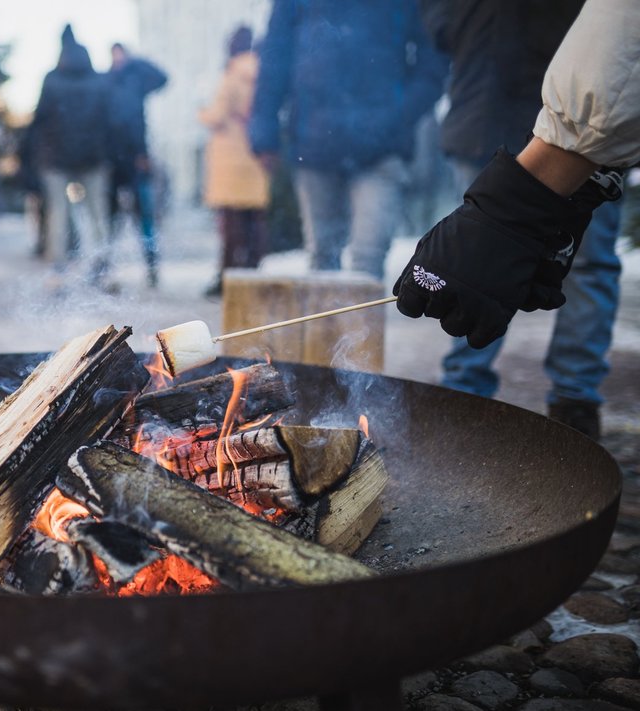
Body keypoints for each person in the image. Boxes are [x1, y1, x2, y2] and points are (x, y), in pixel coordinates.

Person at [395, 0, 638, 434]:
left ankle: (575, 398)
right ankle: (464, 390)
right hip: (486, 101)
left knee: (587, 261)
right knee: (472, 267)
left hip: (592, 96)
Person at [249, 1, 447, 280]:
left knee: (368, 256)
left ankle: (360, 324)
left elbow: (433, 62)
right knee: (322, 256)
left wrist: (398, 115)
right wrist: (264, 131)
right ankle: (329, 324)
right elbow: (274, 57)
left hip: (382, 146)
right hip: (314, 141)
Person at [31, 25, 114, 292]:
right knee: (98, 213)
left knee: (58, 213)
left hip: (56, 158)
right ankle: (103, 265)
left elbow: (40, 118)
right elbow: (109, 119)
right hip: (94, 157)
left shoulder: (52, 80)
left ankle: (57, 270)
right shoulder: (99, 81)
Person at [199, 26, 270, 296]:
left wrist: (201, 114)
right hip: (254, 154)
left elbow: (216, 115)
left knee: (230, 224)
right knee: (253, 220)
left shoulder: (231, 75)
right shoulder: (261, 74)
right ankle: (251, 272)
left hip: (229, 156)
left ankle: (227, 278)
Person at [107, 43, 167, 288]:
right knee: (111, 219)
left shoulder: (136, 79)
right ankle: (104, 267)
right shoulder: (107, 81)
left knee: (144, 218)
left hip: (136, 159)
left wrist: (134, 62)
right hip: (112, 162)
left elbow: (162, 78)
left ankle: (152, 265)